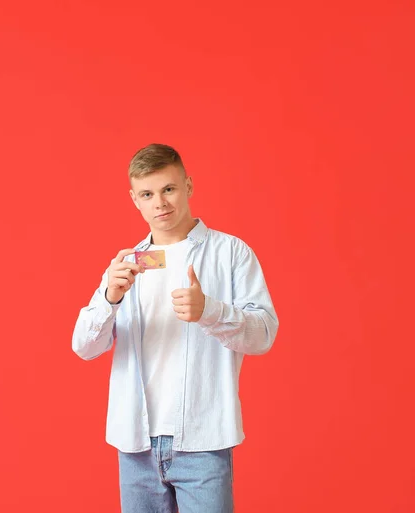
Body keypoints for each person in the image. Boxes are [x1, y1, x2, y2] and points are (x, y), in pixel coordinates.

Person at [72, 143, 279, 513]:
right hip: (135, 443)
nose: (160, 203)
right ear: (134, 199)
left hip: (203, 440)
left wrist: (210, 311)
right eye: (148, 194)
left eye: (168, 189)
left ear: (188, 186)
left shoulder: (229, 253)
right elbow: (84, 347)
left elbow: (264, 334)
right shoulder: (129, 263)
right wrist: (109, 297)